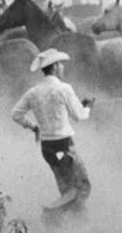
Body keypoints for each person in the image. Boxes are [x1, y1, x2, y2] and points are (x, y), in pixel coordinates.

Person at [12, 48, 94, 223]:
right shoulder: (64, 88)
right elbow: (79, 116)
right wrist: (87, 107)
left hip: (47, 148)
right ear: (55, 66)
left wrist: (33, 127)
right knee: (82, 186)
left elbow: (16, 114)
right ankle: (51, 213)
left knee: (68, 189)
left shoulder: (34, 91)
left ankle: (77, 224)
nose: (63, 67)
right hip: (65, 146)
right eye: (61, 64)